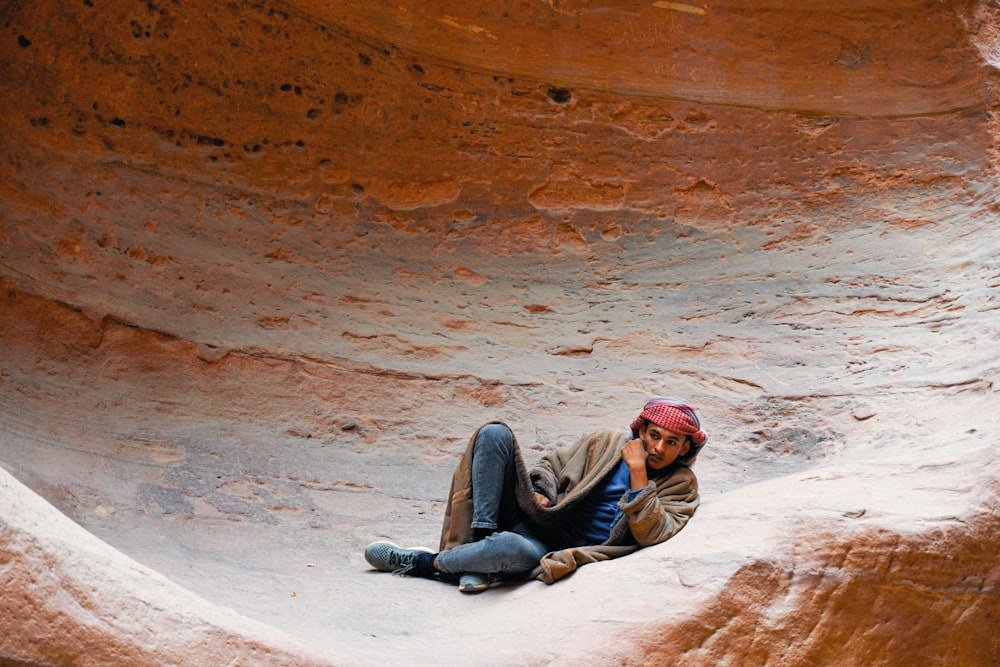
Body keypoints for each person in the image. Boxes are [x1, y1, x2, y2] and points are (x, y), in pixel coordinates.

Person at [364, 396, 706, 592]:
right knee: (495, 434)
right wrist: (542, 490)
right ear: (641, 430)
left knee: (512, 547)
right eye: (654, 435)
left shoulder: (681, 484)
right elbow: (550, 466)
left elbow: (654, 534)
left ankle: (421, 563)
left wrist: (637, 473)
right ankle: (479, 552)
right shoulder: (604, 442)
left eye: (671, 442)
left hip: (546, 546)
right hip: (534, 519)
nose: (658, 447)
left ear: (685, 448)